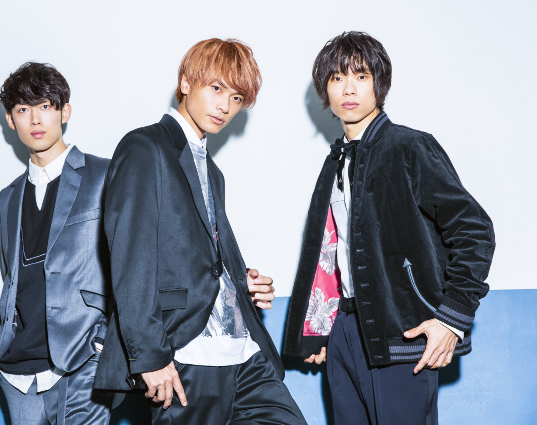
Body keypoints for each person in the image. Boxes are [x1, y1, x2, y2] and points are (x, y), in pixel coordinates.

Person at [283, 31, 496, 424]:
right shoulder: (335, 162)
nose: (349, 89)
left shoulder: (409, 147)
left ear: (379, 84)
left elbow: (475, 231)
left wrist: (451, 319)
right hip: (345, 333)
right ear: (325, 90)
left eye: (361, 76)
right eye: (337, 78)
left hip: (404, 334)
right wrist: (318, 328)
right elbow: (329, 249)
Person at [93, 38, 307, 424]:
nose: (226, 106)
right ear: (186, 82)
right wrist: (150, 357)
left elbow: (197, 255)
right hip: (187, 354)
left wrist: (239, 282)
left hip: (242, 351)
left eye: (237, 98)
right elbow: (131, 258)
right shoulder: (144, 147)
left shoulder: (211, 170)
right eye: (217, 88)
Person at [0, 62, 112, 425]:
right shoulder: (7, 198)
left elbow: (130, 264)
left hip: (82, 359)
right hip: (17, 370)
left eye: (45, 106)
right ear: (10, 120)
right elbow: (12, 277)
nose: (35, 119)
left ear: (65, 112)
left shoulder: (104, 175)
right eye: (23, 109)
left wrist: (103, 342)